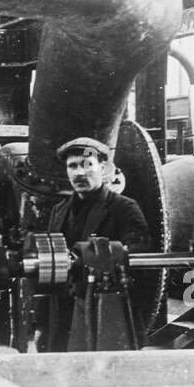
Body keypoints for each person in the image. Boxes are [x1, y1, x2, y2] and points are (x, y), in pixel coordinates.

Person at [44, 137, 151, 351]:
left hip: (106, 315)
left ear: (102, 168)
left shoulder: (124, 208)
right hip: (64, 317)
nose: (79, 173)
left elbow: (140, 253)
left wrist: (99, 255)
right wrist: (41, 325)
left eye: (86, 165)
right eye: (72, 166)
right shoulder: (59, 211)